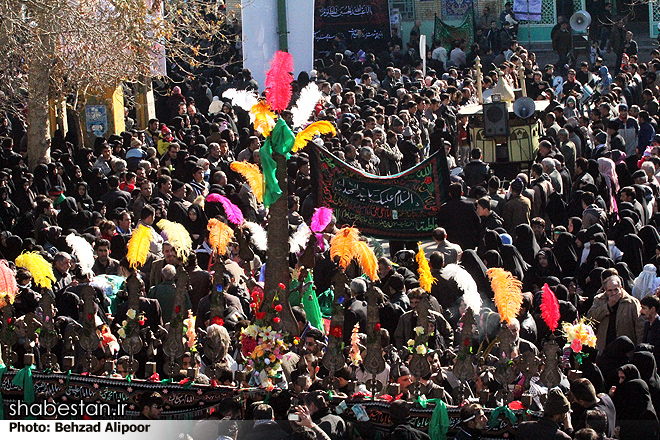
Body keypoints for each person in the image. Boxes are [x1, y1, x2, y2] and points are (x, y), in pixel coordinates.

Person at [587, 275, 645, 351]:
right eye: (610, 290)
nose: (613, 293)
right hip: (604, 347)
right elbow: (591, 318)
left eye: (616, 290)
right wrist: (607, 306)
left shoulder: (631, 303)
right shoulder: (599, 300)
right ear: (605, 290)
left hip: (625, 350)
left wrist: (638, 348)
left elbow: (640, 326)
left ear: (621, 288)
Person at [437, 183, 481, 250]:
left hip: (451, 243)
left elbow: (440, 224)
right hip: (468, 241)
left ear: (450, 194)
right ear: (462, 193)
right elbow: (477, 222)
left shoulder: (444, 208)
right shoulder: (470, 206)